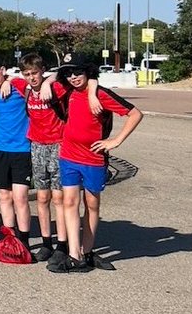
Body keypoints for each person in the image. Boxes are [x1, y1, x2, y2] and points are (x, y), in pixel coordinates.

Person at [47, 56, 144, 274]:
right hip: (69, 156)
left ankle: (88, 250)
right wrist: (50, 82)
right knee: (69, 202)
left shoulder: (101, 94)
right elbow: (50, 80)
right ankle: (75, 255)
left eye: (78, 72)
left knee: (91, 204)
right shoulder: (68, 91)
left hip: (93, 158)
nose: (73, 77)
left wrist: (116, 141)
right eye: (69, 74)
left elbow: (135, 114)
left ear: (88, 71)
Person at [0, 58, 35, 254]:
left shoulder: (18, 86)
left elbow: (46, 79)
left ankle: (24, 241)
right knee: (4, 195)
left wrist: (9, 80)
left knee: (20, 198)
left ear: (3, 70)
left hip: (21, 149)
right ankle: (9, 238)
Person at [21, 53, 68, 263]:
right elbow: (2, 78)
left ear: (42, 71)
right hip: (37, 145)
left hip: (58, 144)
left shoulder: (56, 87)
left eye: (35, 73)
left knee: (58, 198)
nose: (31, 77)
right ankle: (46, 242)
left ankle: (62, 244)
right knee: (42, 197)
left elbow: (66, 73)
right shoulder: (25, 89)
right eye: (27, 74)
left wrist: (49, 81)